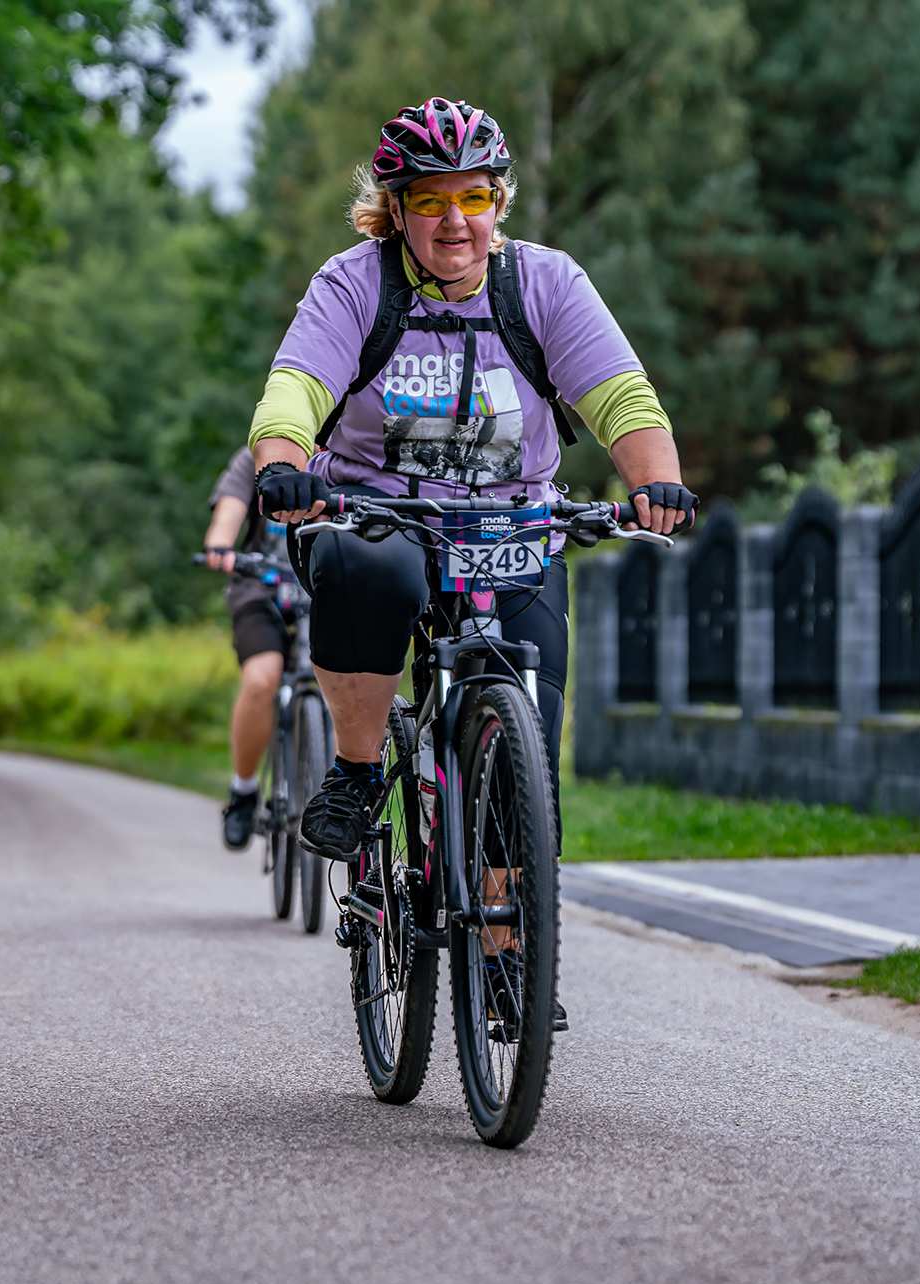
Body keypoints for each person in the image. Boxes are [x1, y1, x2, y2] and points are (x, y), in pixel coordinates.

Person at [248, 97, 700, 1026]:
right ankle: (359, 771)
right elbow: (295, 390)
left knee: (528, 716)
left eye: (475, 196)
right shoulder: (354, 286)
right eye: (430, 200)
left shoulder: (544, 284)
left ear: (499, 201)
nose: (455, 220)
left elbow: (620, 395)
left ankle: (505, 952)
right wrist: (285, 465)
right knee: (369, 576)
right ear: (395, 209)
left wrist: (657, 481)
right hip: (378, 514)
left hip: (512, 524)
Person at [202, 447, 296, 850]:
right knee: (262, 678)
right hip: (261, 587)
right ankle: (243, 790)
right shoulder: (255, 457)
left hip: (327, 588)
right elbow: (230, 509)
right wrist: (220, 543)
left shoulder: (347, 452)